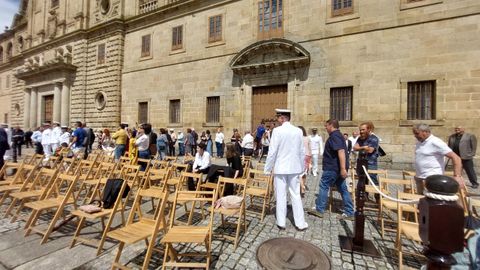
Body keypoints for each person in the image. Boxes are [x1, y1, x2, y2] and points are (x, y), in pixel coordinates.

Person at [264, 109, 308, 231]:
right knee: (296, 195)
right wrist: (302, 168)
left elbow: (272, 152)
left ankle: (281, 222)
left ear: (283, 118)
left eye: (278, 117)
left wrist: (267, 169)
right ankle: (300, 223)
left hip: (281, 168)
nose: (277, 120)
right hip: (294, 168)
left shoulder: (277, 131)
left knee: (281, 195)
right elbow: (301, 151)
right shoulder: (298, 131)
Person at [312, 119, 354, 220]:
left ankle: (319, 209)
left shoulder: (335, 136)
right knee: (343, 188)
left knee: (324, 185)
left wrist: (343, 169)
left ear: (331, 125)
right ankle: (350, 212)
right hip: (337, 168)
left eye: (326, 126)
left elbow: (341, 152)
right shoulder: (338, 135)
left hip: (333, 168)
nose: (325, 128)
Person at [413, 123, 463, 194]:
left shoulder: (435, 142)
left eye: (417, 133)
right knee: (421, 201)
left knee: (431, 202)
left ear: (425, 132)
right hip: (420, 177)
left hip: (432, 179)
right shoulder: (419, 142)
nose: (415, 136)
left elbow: (456, 158)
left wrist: (457, 176)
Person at [353, 122, 380, 202]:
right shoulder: (360, 138)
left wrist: (361, 148)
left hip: (371, 163)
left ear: (369, 129)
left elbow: (370, 150)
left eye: (363, 130)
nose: (361, 131)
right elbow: (355, 147)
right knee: (362, 181)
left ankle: (378, 197)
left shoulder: (374, 138)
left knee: (373, 180)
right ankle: (363, 198)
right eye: (360, 130)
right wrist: (364, 147)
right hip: (361, 163)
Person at [299, 126, 311, 197]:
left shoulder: (297, 139)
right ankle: (303, 186)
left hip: (301, 156)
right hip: (307, 156)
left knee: (299, 173)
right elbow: (310, 149)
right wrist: (310, 160)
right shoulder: (307, 138)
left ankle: (302, 187)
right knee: (304, 173)